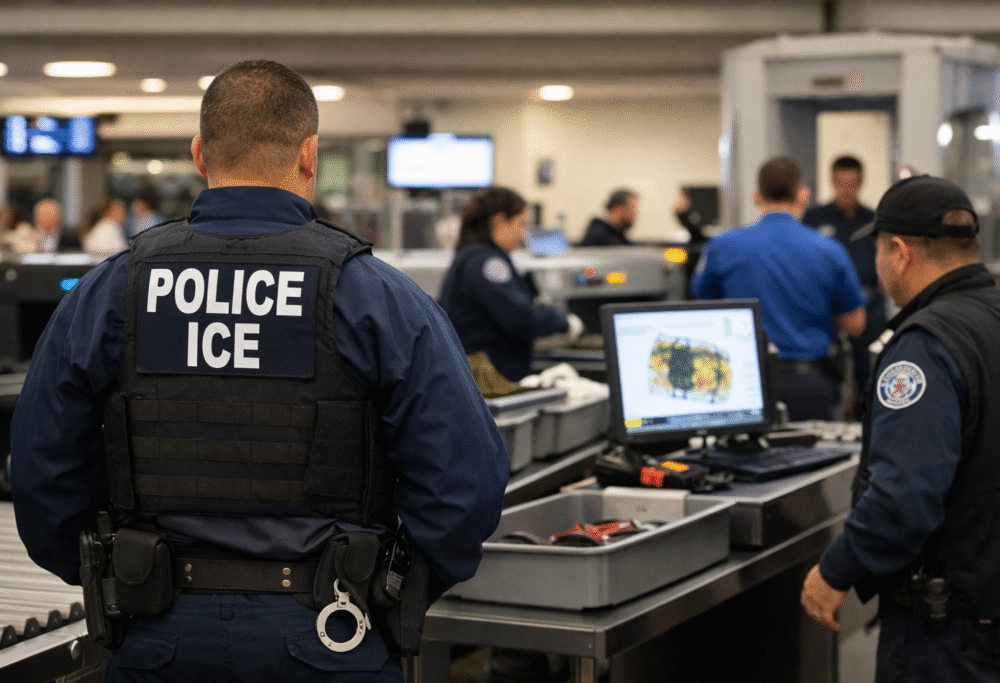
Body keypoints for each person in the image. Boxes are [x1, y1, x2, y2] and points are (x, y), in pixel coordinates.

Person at [10, 59, 509, 682]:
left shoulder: (110, 291)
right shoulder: (374, 296)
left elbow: (40, 474)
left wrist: (114, 577)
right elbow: (467, 482)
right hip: (331, 628)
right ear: (309, 154)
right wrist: (393, 587)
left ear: (199, 154)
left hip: (156, 634)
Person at [801, 175, 1000, 682]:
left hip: (952, 638)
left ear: (899, 252)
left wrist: (835, 571)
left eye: (879, 252)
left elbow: (905, 494)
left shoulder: (923, 345)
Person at [690, 157, 866, 421]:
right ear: (803, 196)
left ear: (755, 197)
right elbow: (855, 324)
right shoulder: (829, 250)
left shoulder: (721, 247)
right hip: (809, 384)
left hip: (742, 382)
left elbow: (703, 306)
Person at [439, 186, 582, 382]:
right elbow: (519, 317)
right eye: (521, 224)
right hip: (490, 381)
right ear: (499, 221)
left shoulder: (473, 256)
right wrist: (563, 322)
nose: (523, 235)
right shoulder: (487, 263)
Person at [803, 156, 887, 407]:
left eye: (852, 183)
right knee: (827, 373)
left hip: (867, 305)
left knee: (870, 373)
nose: (846, 189)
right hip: (826, 308)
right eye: (841, 183)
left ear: (861, 183)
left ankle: (867, 421)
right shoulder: (814, 219)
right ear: (832, 182)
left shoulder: (874, 220)